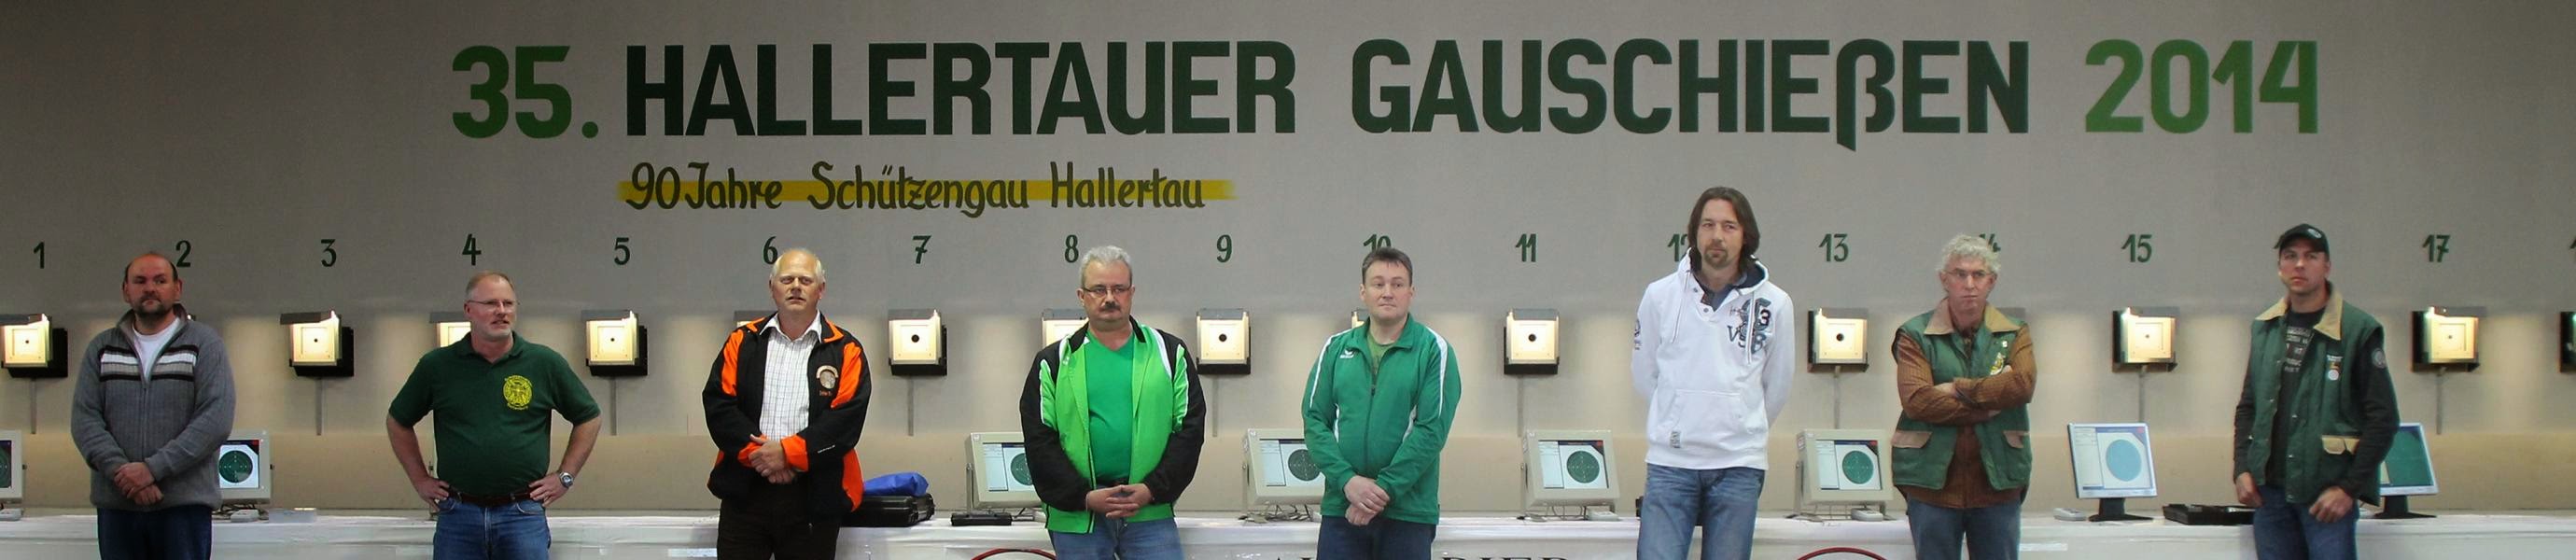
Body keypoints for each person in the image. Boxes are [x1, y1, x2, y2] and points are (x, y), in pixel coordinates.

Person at [387, 271, 604, 560]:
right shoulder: (437, 366)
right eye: (491, 303)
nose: (501, 311)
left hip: (522, 513)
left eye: (508, 303)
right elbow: (398, 421)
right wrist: (419, 479)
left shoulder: (544, 363)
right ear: (468, 310)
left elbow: (589, 417)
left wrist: (565, 476)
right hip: (458, 514)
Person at [1631, 187, 1795, 560]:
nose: (1717, 235)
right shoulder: (1660, 296)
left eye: (1728, 226)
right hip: (1672, 464)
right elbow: (1645, 374)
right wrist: (1676, 416)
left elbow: (1778, 385)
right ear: (1694, 232)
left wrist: (1740, 424)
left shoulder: (1775, 304)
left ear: (1745, 235)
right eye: (1707, 225)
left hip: (1739, 465)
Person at [1018, 245, 1207, 559]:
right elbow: (1039, 440)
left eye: (1119, 289)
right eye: (1099, 289)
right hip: (1079, 519)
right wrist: (1084, 496)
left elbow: (1190, 429)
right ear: (1081, 296)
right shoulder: (1052, 362)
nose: (1109, 298)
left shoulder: (1170, 353)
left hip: (1149, 514)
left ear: (1132, 293)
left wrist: (1152, 489)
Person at [2233, 224, 2398, 560]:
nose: (2299, 265)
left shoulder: (2357, 329)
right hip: (2270, 497)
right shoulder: (2265, 328)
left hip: (2326, 498)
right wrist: (2241, 469)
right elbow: (2248, 406)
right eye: (2290, 256)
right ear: (2280, 266)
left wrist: (2349, 489)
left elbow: (2383, 419)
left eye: (2311, 256)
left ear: (2327, 266)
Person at [702, 248, 875, 560]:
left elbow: (845, 422)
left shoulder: (845, 349)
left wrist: (788, 454)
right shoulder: (742, 342)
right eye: (787, 279)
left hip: (815, 496)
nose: (796, 286)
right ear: (772, 287)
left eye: (805, 280)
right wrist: (761, 456)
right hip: (745, 493)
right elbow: (720, 406)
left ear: (821, 289)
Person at [71, 252, 235, 560]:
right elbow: (85, 420)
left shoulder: (204, 344)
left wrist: (152, 470)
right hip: (118, 508)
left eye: (160, 281)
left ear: (177, 288)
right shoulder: (102, 348)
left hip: (183, 509)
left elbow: (215, 419)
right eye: (140, 281)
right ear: (126, 290)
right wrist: (124, 475)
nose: (150, 288)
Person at [1301, 247, 1463, 559]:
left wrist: (1382, 490)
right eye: (1378, 284)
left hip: (1408, 513)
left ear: (1411, 292)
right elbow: (1315, 421)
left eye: (1397, 284)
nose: (1388, 292)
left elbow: (1431, 431)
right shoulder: (1335, 348)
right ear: (1363, 292)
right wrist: (1347, 481)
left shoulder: (1434, 350)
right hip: (1342, 509)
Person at [1891, 234, 2037, 560]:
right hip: (1930, 482)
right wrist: (1987, 405)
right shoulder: (1914, 334)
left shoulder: (2015, 332)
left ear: (1991, 281)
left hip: (1998, 482)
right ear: (1944, 279)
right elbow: (1918, 401)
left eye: (1978, 274)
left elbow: (2022, 386)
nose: (1969, 284)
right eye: (1960, 274)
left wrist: (1958, 388)